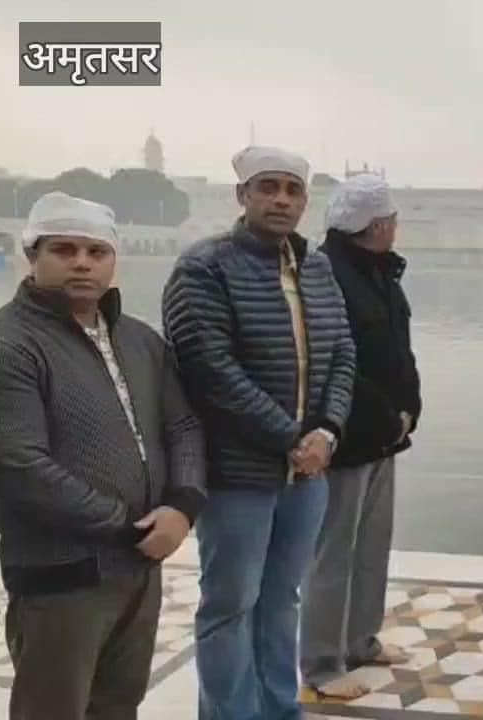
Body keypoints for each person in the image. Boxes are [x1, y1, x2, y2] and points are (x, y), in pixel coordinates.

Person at [0, 192, 206, 720]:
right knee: (54, 708)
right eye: (64, 249)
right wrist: (128, 528)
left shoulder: (139, 340)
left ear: (112, 260)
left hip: (138, 569)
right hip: (62, 573)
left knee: (117, 705)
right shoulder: (7, 343)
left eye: (96, 251)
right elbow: (20, 465)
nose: (82, 262)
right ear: (32, 257)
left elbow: (183, 425)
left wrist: (182, 506)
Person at [162, 146, 356, 720]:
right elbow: (209, 368)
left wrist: (327, 432)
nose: (281, 199)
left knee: (280, 602)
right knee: (230, 605)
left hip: (306, 476)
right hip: (237, 474)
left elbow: (344, 352)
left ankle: (279, 709)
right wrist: (291, 437)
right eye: (267, 187)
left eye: (292, 190)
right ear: (242, 196)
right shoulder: (205, 268)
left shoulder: (316, 267)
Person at [300, 174, 422, 699]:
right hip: (346, 437)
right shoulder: (326, 275)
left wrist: (410, 407)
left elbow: (397, 351)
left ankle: (360, 641)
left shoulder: (378, 273)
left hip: (386, 436)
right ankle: (324, 665)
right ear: (375, 225)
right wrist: (386, 414)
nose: (396, 227)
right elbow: (337, 359)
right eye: (393, 219)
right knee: (334, 552)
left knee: (372, 544)